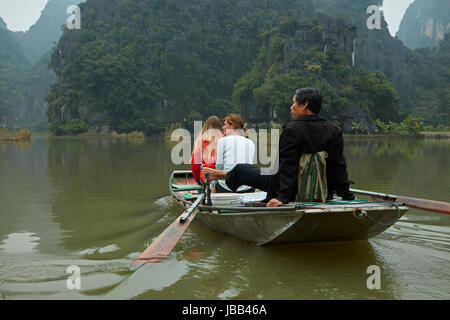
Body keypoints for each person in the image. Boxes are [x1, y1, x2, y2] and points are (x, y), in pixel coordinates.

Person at [203, 88, 355, 206]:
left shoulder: (292, 129)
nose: (291, 107)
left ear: (305, 105)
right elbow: (338, 166)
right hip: (322, 190)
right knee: (251, 170)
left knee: (241, 169)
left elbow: (287, 166)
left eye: (294, 103)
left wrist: (281, 197)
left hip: (287, 187)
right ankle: (226, 176)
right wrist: (347, 195)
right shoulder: (334, 130)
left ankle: (225, 177)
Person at [214, 114, 256, 193]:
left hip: (226, 187)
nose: (223, 127)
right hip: (247, 187)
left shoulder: (222, 141)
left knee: (213, 185)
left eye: (225, 125)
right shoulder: (250, 143)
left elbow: (219, 167)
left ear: (232, 126)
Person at [191, 116, 223, 185]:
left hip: (206, 179)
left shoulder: (200, 140)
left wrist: (198, 181)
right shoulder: (224, 140)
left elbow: (195, 166)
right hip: (222, 178)